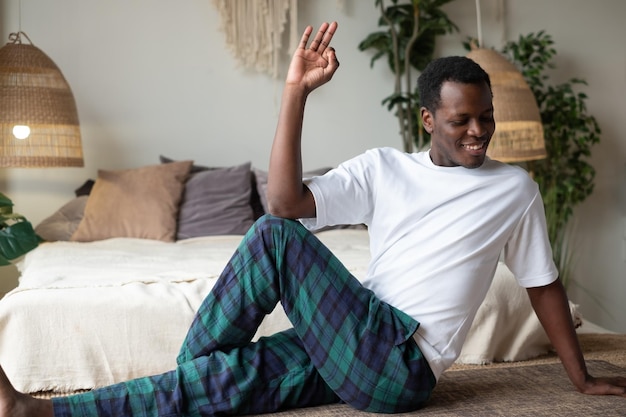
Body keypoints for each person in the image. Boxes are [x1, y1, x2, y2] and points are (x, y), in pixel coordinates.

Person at [1, 21, 625, 417]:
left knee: (274, 238)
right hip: (353, 337)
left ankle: (177, 380)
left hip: (401, 364)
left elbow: (542, 283)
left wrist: (581, 378)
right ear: (428, 120)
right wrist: (294, 94)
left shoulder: (513, 189)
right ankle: (38, 413)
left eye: (485, 116)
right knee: (229, 380)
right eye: (462, 119)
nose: (479, 131)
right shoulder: (385, 169)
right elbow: (288, 199)